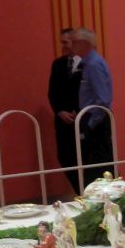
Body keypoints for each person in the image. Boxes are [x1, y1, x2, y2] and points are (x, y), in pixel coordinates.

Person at [72, 27, 114, 180]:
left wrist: (90, 124)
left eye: (75, 42)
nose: (72, 45)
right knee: (93, 162)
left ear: (84, 43)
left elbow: (103, 99)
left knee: (99, 164)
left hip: (96, 121)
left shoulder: (94, 64)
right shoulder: (89, 63)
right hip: (91, 117)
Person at [47, 28, 83, 193]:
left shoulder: (88, 63)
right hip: (63, 122)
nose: (62, 46)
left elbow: (93, 92)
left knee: (89, 160)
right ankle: (80, 192)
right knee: (66, 158)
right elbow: (52, 92)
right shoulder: (58, 64)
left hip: (83, 120)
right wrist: (59, 111)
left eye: (65, 42)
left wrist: (80, 111)